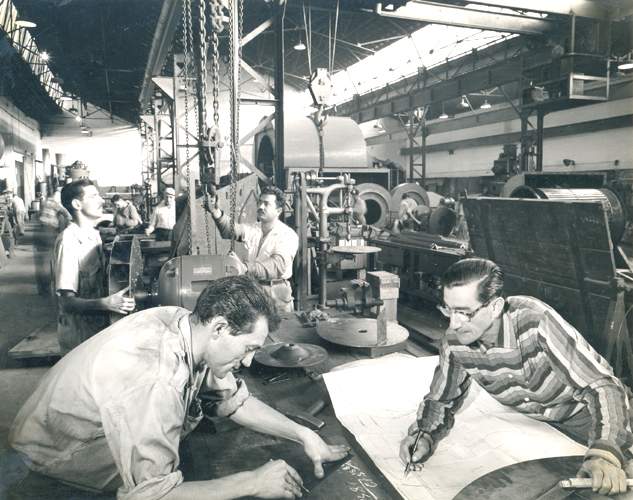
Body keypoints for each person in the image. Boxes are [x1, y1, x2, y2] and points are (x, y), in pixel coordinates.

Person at [9, 275, 349, 499]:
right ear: (220, 328)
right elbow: (150, 495)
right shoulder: (157, 378)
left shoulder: (185, 323)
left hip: (72, 435)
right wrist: (252, 482)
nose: (248, 363)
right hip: (55, 465)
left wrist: (304, 435)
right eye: (248, 349)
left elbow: (234, 400)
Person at [400, 257, 633, 497]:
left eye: (465, 313)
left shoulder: (534, 321)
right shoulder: (454, 342)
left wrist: (605, 453)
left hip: (598, 418)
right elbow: (441, 399)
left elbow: (602, 386)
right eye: (448, 309)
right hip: (544, 431)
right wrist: (423, 435)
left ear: (495, 307)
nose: (454, 324)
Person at [54, 179, 136, 352]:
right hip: (79, 337)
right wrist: (106, 304)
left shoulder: (94, 235)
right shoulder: (69, 241)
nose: (101, 201)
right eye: (93, 196)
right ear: (77, 204)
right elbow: (65, 303)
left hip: (97, 330)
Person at [207, 185, 299, 313]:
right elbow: (231, 231)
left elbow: (277, 266)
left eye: (266, 204)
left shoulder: (287, 235)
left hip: (276, 293)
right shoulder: (254, 228)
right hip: (253, 290)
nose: (260, 206)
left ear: (278, 210)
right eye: (260, 202)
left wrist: (245, 268)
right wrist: (216, 212)